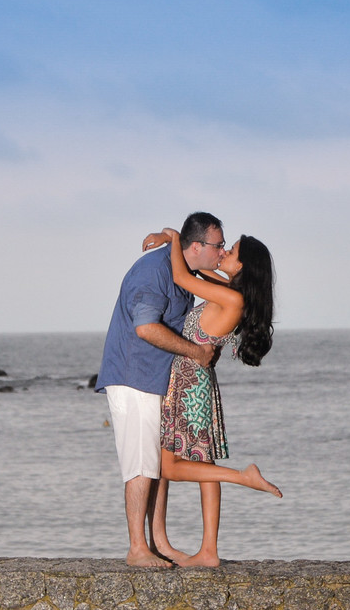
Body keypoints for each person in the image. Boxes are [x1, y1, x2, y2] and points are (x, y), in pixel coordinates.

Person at [140, 226, 282, 567]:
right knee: (203, 466)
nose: (223, 255)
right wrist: (185, 243)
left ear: (244, 266)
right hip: (196, 382)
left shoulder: (231, 298)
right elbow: (200, 265)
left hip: (189, 384)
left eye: (230, 252)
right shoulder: (229, 292)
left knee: (169, 467)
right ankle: (209, 552)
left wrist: (174, 238)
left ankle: (243, 477)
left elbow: (180, 273)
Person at [96, 212, 226, 567]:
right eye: (218, 245)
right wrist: (197, 352)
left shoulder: (183, 267)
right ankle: (137, 548)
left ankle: (159, 543)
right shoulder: (153, 272)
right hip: (132, 376)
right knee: (140, 464)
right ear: (197, 246)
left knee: (155, 461)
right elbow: (145, 328)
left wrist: (170, 235)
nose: (222, 252)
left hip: (156, 380)